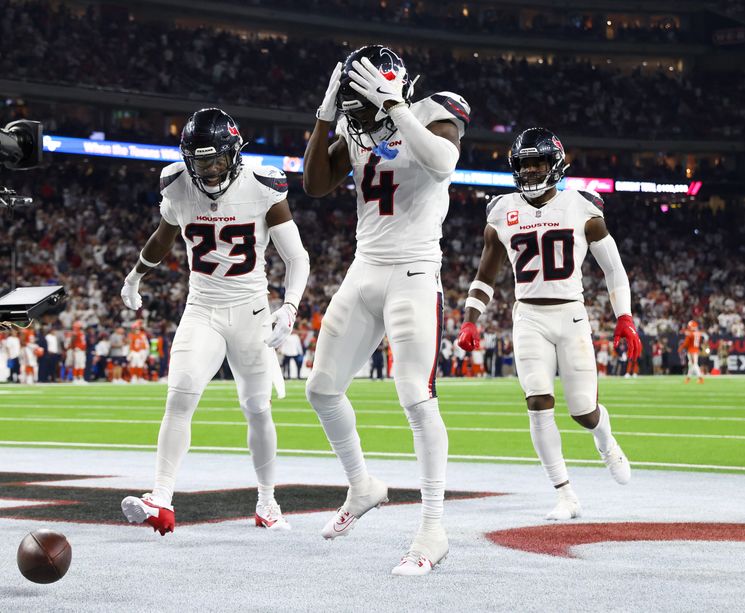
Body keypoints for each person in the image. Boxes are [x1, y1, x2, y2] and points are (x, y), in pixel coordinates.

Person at [303, 45, 469, 575]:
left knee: (415, 398)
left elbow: (443, 161)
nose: (357, 116)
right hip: (365, 267)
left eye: (359, 102)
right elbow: (314, 184)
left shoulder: (429, 113)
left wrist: (396, 107)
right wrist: (326, 112)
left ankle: (433, 528)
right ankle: (363, 486)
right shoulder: (353, 123)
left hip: (415, 273)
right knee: (321, 388)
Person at [119, 108, 310, 535]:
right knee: (180, 396)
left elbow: (296, 257)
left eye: (216, 160)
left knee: (257, 409)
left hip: (252, 312)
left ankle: (267, 502)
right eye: (199, 161)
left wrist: (291, 306)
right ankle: (161, 499)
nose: (208, 169)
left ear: (235, 153)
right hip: (202, 308)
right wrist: (134, 276)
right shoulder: (177, 185)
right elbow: (162, 237)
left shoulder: (264, 186)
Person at [457, 127, 641, 521]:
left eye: (539, 162)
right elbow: (485, 274)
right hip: (528, 317)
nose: (532, 170)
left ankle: (605, 440)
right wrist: (471, 320)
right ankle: (565, 493)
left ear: (555, 164)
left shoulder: (582, 206)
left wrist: (624, 317)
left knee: (583, 410)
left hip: (571, 315)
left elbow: (614, 270)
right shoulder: (502, 211)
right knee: (538, 402)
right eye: (525, 164)